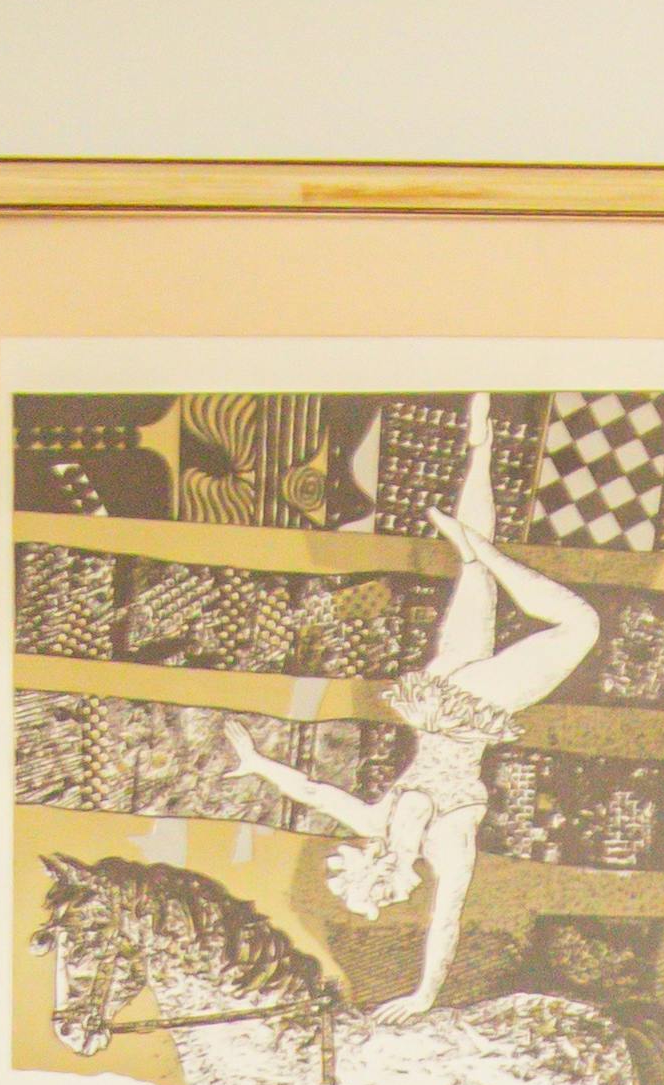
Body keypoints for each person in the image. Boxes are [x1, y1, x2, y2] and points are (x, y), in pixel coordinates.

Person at [242, 392, 597, 1014]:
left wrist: (426, 993)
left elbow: (443, 921)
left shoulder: (430, 842)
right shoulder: (397, 832)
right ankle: (479, 452)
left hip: (467, 705)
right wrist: (256, 765)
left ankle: (474, 531)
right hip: (442, 693)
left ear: (387, 869)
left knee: (581, 624)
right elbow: (312, 793)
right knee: (474, 570)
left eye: (389, 882)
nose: (399, 878)